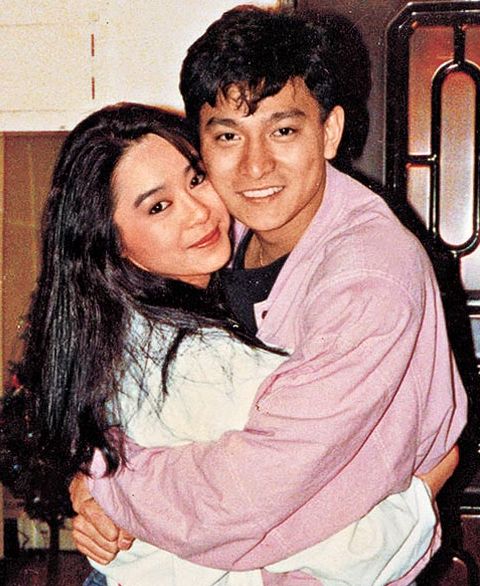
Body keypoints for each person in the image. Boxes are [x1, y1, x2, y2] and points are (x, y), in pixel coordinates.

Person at [70, 6, 468, 585]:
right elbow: (112, 384)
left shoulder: (368, 279)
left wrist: (110, 483)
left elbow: (248, 492)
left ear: (328, 132)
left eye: (283, 131)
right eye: (228, 136)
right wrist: (87, 478)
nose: (255, 166)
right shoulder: (216, 233)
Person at [8, 102, 443, 586]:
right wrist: (421, 492)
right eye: (158, 207)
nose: (199, 212)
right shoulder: (200, 361)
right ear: (111, 241)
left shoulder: (106, 327)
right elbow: (340, 545)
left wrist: (96, 480)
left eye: (195, 179)